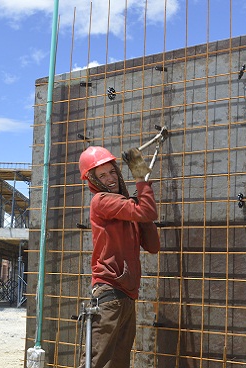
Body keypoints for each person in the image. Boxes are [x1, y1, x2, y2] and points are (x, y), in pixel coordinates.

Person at [78, 146, 161, 368]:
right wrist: (141, 177)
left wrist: (141, 213)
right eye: (102, 175)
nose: (110, 178)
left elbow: (153, 246)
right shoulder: (101, 201)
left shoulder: (126, 207)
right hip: (109, 294)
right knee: (94, 363)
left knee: (119, 364)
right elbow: (148, 211)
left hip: (126, 296)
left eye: (112, 172)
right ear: (93, 180)